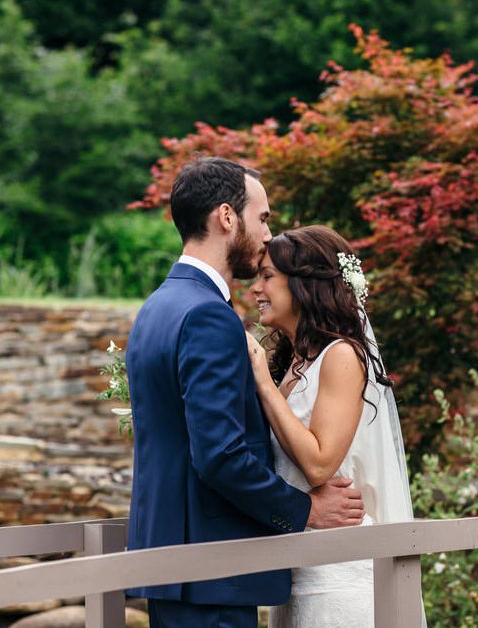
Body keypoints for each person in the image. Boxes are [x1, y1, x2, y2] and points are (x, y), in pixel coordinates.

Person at [125, 158, 365, 628]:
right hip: (212, 569)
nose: (267, 233)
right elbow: (219, 455)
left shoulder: (157, 307)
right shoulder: (207, 316)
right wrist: (304, 510)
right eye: (263, 217)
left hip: (175, 564)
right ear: (227, 218)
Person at [247, 225, 419, 627]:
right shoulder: (292, 363)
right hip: (298, 568)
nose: (256, 289)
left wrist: (261, 385)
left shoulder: (341, 356)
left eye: (268, 276)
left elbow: (321, 464)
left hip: (338, 576)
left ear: (305, 286)